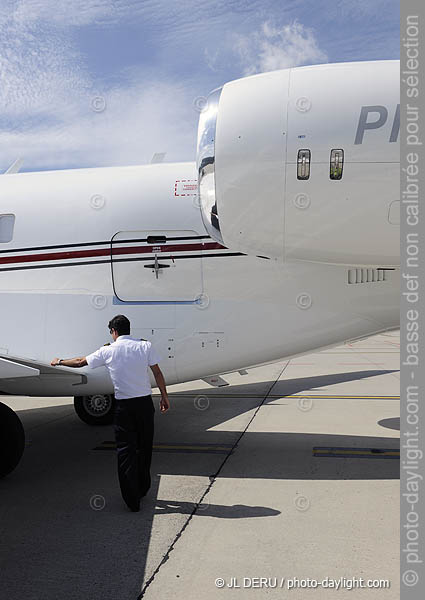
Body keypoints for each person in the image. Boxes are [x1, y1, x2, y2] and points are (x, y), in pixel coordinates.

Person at [51, 314, 170, 512]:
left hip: (124, 407)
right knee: (144, 447)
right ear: (128, 329)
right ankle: (142, 488)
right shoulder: (145, 346)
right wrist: (164, 397)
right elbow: (157, 372)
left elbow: (81, 362)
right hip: (144, 406)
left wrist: (60, 361)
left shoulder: (108, 350)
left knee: (126, 451)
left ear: (114, 332)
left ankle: (132, 500)